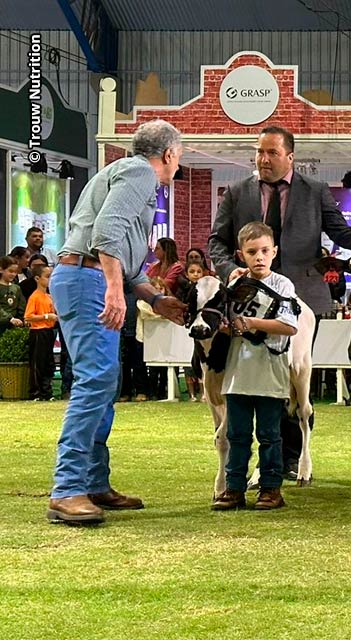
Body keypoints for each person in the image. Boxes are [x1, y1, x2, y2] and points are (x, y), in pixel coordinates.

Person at [209, 125, 351, 480]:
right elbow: (216, 241)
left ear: (290, 157)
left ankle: (287, 459)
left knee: (293, 375)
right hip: (247, 298)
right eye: (260, 152)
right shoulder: (237, 192)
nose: (264, 159)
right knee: (251, 374)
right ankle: (242, 458)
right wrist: (231, 270)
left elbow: (340, 232)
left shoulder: (316, 191)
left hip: (302, 300)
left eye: (272, 153)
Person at [47, 119, 188, 525]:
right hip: (88, 278)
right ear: (169, 154)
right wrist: (112, 289)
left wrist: (156, 299)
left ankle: (92, 482)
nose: (178, 163)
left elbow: (126, 261)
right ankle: (68, 488)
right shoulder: (142, 173)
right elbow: (107, 234)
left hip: (83, 276)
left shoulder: (122, 172)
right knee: (96, 380)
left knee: (104, 380)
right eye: (179, 156)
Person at [210, 222, 300, 512]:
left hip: (270, 370)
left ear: (275, 252)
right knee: (236, 434)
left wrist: (250, 323)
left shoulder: (283, 285)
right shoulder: (234, 286)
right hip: (237, 373)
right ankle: (234, 488)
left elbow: (289, 325)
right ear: (241, 254)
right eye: (252, 252)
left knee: (270, 434)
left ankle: (271, 488)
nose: (259, 257)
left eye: (264, 251)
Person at [24, 264, 57, 401]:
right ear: (37, 278)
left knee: (48, 362)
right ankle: (35, 392)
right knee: (38, 362)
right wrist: (46, 316)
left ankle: (46, 392)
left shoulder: (49, 296)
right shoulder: (35, 297)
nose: (50, 280)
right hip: (38, 332)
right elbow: (28, 317)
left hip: (48, 331)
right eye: (47, 277)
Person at [178, 261, 209, 402]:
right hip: (188, 331)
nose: (196, 274)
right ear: (186, 274)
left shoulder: (208, 291)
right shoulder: (184, 290)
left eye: (198, 271)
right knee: (189, 363)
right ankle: (191, 394)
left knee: (202, 360)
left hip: (202, 332)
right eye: (192, 271)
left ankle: (205, 393)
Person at [0, 256, 26, 335]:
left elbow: (22, 306)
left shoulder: (16, 288)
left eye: (15, 272)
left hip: (13, 326)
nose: (13, 274)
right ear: (1, 270)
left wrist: (22, 319)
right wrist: (10, 318)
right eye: (10, 271)